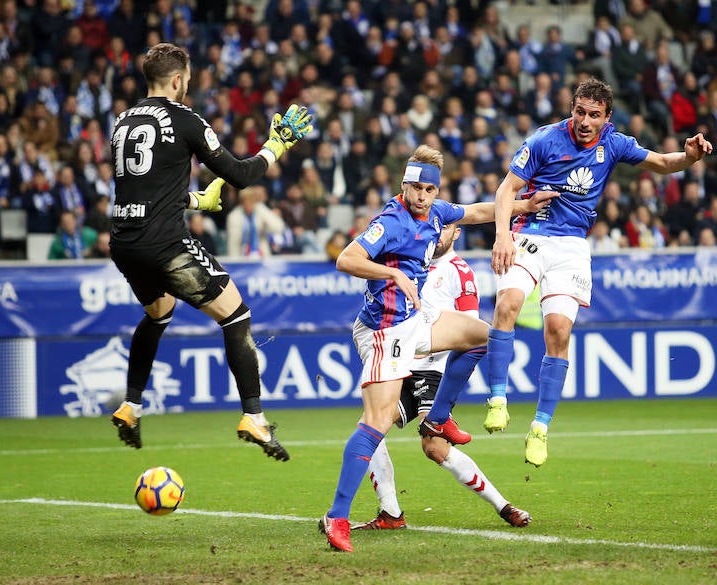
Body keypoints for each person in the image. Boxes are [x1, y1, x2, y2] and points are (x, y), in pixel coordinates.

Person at [426, 78, 712, 469]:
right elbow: (507, 189)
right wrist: (502, 236)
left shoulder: (613, 143)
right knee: (507, 304)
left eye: (594, 115)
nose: (585, 121)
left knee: (558, 331)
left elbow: (663, 164)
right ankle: (497, 399)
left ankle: (540, 429)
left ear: (606, 118)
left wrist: (689, 157)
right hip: (531, 234)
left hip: (572, 246)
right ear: (571, 109)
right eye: (580, 112)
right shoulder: (545, 140)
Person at [319, 145, 555, 552]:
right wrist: (391, 271)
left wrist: (523, 204)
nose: (424, 197)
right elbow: (346, 258)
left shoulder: (438, 212)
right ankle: (338, 518)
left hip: (416, 323)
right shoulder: (390, 221)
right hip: (384, 331)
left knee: (486, 334)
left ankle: (439, 416)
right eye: (417, 188)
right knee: (375, 422)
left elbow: (479, 211)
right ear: (404, 185)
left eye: (430, 189)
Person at [107, 43, 313, 461]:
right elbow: (238, 174)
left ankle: (131, 404)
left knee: (158, 313)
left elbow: (148, 190)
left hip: (125, 243)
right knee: (236, 315)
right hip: (164, 244)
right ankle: (253, 415)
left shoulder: (122, 122)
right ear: (179, 79)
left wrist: (198, 202)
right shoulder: (186, 119)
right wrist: (277, 145)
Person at [354, 223, 532, 533]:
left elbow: (470, 331)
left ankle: (503, 505)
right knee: (370, 430)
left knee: (434, 447)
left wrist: (430, 348)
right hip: (400, 364)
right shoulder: (414, 260)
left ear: (456, 233)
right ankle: (390, 512)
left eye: (446, 229)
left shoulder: (459, 272)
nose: (438, 235)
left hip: (432, 370)